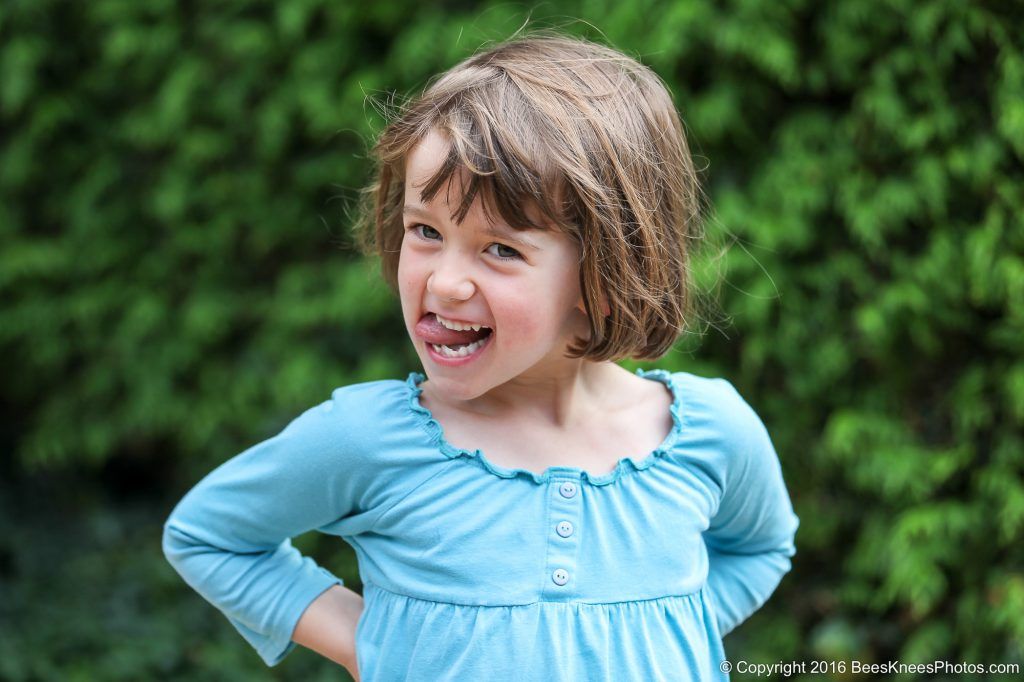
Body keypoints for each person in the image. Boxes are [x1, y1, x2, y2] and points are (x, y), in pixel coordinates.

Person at [162, 29, 800, 682]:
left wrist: (667, 638)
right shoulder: (370, 440)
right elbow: (210, 535)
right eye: (426, 232)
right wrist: (369, 643)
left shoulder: (709, 433)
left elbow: (762, 548)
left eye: (500, 249)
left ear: (610, 270)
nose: (443, 282)